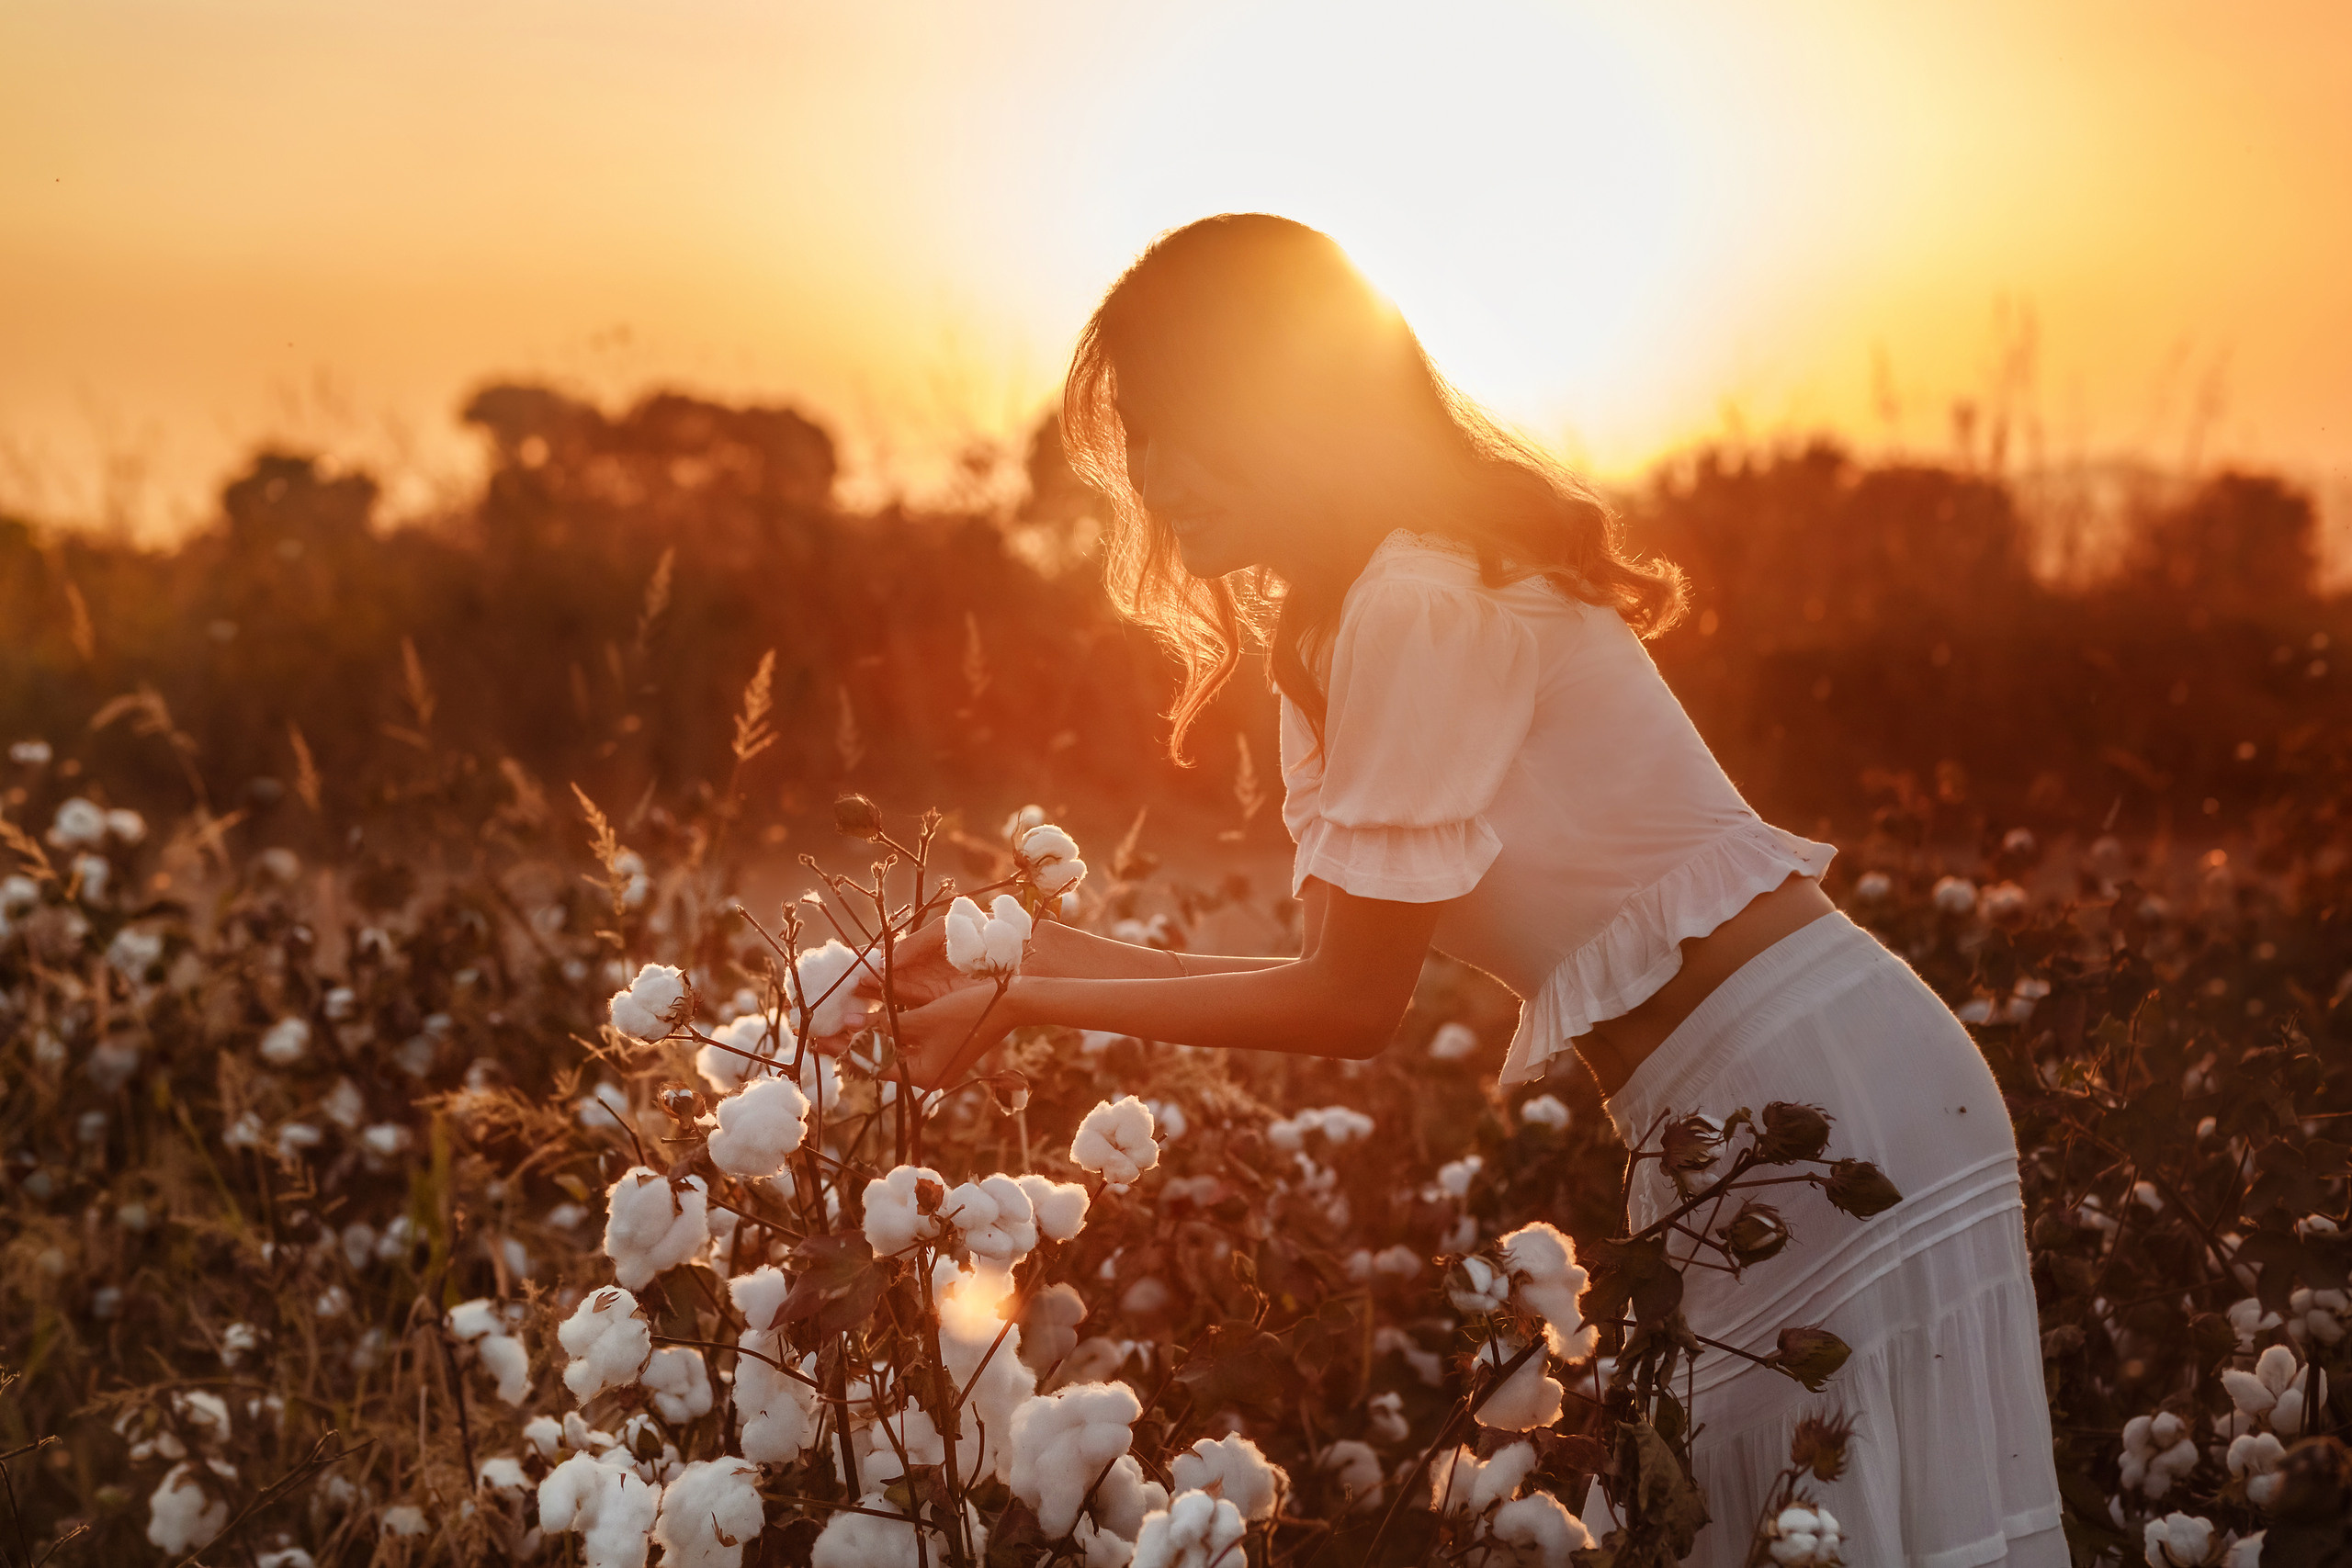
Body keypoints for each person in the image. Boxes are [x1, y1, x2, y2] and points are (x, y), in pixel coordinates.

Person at [888, 213, 2064, 1565]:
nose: (1159, 476)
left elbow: (1348, 1005)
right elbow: (1324, 968)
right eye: (1139, 437)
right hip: (1736, 1109)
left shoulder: (1419, 597)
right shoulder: (1342, 625)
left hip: (1823, 1094)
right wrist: (1021, 956)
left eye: (1189, 422)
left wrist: (1029, 999)